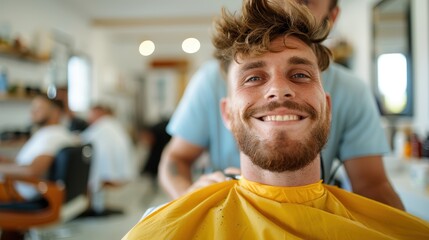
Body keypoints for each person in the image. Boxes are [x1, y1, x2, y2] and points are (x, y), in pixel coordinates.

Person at [123, 1, 429, 239]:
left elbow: (373, 184)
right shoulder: (208, 80)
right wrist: (192, 205)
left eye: (299, 75)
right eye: (254, 77)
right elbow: (176, 158)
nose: (278, 89)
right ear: (227, 112)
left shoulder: (354, 90)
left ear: (328, 106)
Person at [0, 93, 77, 203]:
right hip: (18, 186)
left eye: (39, 108)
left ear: (55, 111)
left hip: (18, 191)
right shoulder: (53, 132)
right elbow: (30, 163)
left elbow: (33, 171)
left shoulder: (51, 136)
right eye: (33, 108)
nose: (33, 112)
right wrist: (7, 162)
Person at [80, 104, 135, 215]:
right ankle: (94, 206)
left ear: (100, 113)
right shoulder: (113, 125)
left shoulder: (103, 125)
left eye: (91, 114)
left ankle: (90, 206)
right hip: (116, 168)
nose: (88, 118)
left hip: (106, 171)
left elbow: (83, 139)